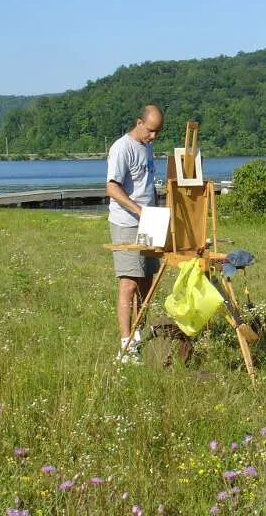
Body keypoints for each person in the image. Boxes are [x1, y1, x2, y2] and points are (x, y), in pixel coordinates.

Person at [106, 105, 164, 363]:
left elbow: (147, 183)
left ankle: (139, 336)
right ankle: (125, 345)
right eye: (150, 131)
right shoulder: (122, 148)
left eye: (157, 132)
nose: (153, 136)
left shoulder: (147, 146)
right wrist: (139, 211)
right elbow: (111, 188)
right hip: (127, 222)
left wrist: (156, 209)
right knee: (128, 283)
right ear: (139, 122)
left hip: (150, 221)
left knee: (147, 282)